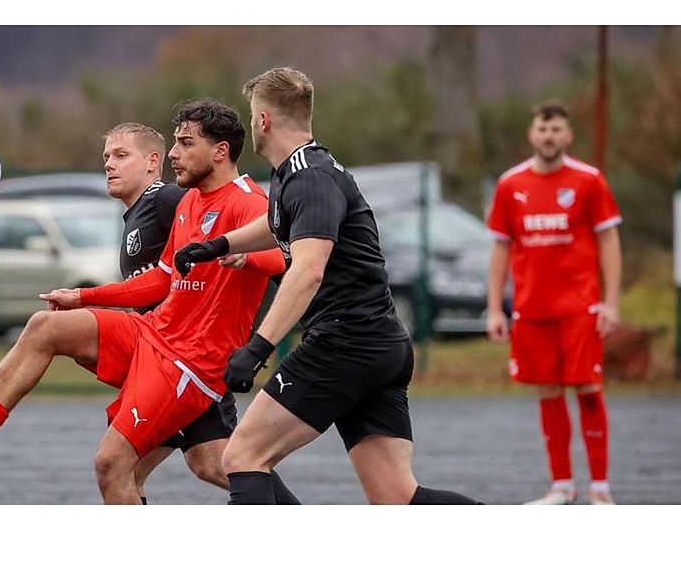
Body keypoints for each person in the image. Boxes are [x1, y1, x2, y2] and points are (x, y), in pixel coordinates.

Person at [0, 99, 291, 504]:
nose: (175, 153)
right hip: (154, 337)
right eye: (174, 143)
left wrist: (244, 254)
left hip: (189, 363)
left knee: (136, 464)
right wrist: (82, 296)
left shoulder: (236, 201)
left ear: (219, 151)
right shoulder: (189, 201)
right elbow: (162, 280)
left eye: (184, 144)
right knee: (45, 327)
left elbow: (289, 254)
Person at [175, 66, 481, 505]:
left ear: (263, 120)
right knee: (396, 497)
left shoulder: (309, 177)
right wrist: (217, 244)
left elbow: (308, 269)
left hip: (346, 343)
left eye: (251, 114)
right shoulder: (297, 171)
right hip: (377, 343)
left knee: (242, 455)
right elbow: (278, 222)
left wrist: (258, 348)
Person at [100, 121, 299, 504]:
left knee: (121, 467)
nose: (109, 164)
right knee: (210, 461)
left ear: (152, 162)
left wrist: (258, 263)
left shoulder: (168, 199)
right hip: (163, 356)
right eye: (106, 156)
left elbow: (257, 230)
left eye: (121, 156)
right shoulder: (142, 213)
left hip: (183, 362)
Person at [486, 101, 622, 505]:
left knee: (588, 387)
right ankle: (561, 486)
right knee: (547, 391)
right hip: (532, 308)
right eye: (543, 129)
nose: (549, 136)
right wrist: (495, 307)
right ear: (532, 134)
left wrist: (611, 302)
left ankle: (601, 489)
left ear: (568, 135)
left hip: (580, 307)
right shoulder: (511, 184)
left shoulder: (589, 181)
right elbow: (500, 248)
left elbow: (609, 241)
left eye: (557, 129)